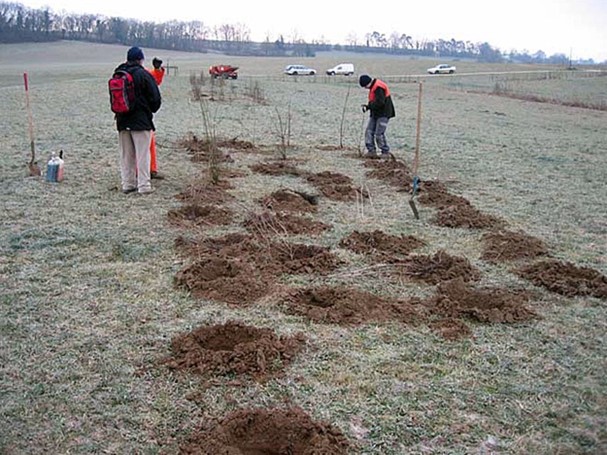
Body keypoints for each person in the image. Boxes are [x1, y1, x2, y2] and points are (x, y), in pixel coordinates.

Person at [114, 46, 161, 194]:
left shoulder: (118, 73)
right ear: (140, 59)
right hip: (141, 122)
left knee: (126, 155)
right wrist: (150, 110)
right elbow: (155, 99)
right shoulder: (144, 74)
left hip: (122, 120)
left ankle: (128, 184)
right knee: (142, 154)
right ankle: (144, 186)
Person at [359, 74, 396, 158]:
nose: (365, 88)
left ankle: (385, 152)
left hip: (383, 113)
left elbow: (380, 102)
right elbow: (375, 101)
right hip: (376, 113)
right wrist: (368, 107)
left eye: (365, 86)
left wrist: (369, 106)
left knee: (379, 133)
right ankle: (371, 151)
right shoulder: (373, 87)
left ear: (368, 83)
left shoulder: (379, 87)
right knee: (369, 131)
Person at [147, 57, 165, 179]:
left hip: (124, 117)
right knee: (147, 143)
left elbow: (155, 79)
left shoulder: (124, 75)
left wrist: (157, 70)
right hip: (142, 117)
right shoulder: (144, 75)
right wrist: (157, 70)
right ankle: (149, 171)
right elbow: (155, 81)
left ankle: (149, 170)